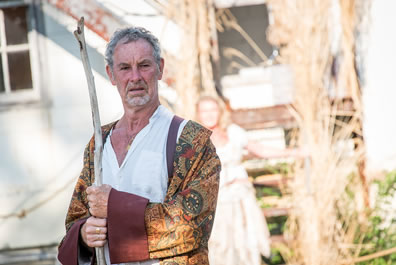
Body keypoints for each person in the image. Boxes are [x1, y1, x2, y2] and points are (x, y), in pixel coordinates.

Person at [58, 27, 221, 265]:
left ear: (160, 68)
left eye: (144, 65)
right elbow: (76, 219)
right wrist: (84, 234)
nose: (135, 77)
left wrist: (113, 205)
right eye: (124, 68)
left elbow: (192, 225)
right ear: (111, 75)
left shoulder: (191, 141)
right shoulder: (98, 143)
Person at [196, 96, 302, 265]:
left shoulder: (233, 132)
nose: (209, 115)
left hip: (241, 196)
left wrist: (293, 152)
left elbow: (261, 150)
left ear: (220, 112)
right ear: (198, 114)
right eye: (204, 111)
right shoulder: (195, 139)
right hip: (217, 200)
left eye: (213, 110)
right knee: (222, 243)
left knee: (246, 239)